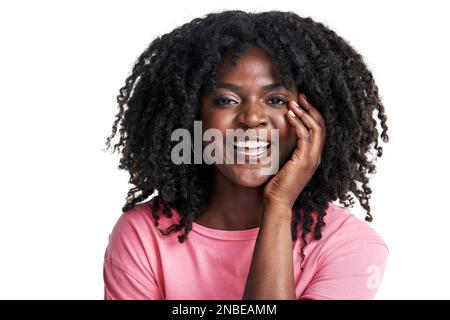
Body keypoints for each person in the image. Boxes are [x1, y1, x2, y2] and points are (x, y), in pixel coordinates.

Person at [103, 10, 390, 300]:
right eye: (226, 100)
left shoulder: (349, 246)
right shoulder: (142, 236)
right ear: (191, 116)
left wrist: (278, 206)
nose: (252, 118)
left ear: (315, 119)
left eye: (276, 100)